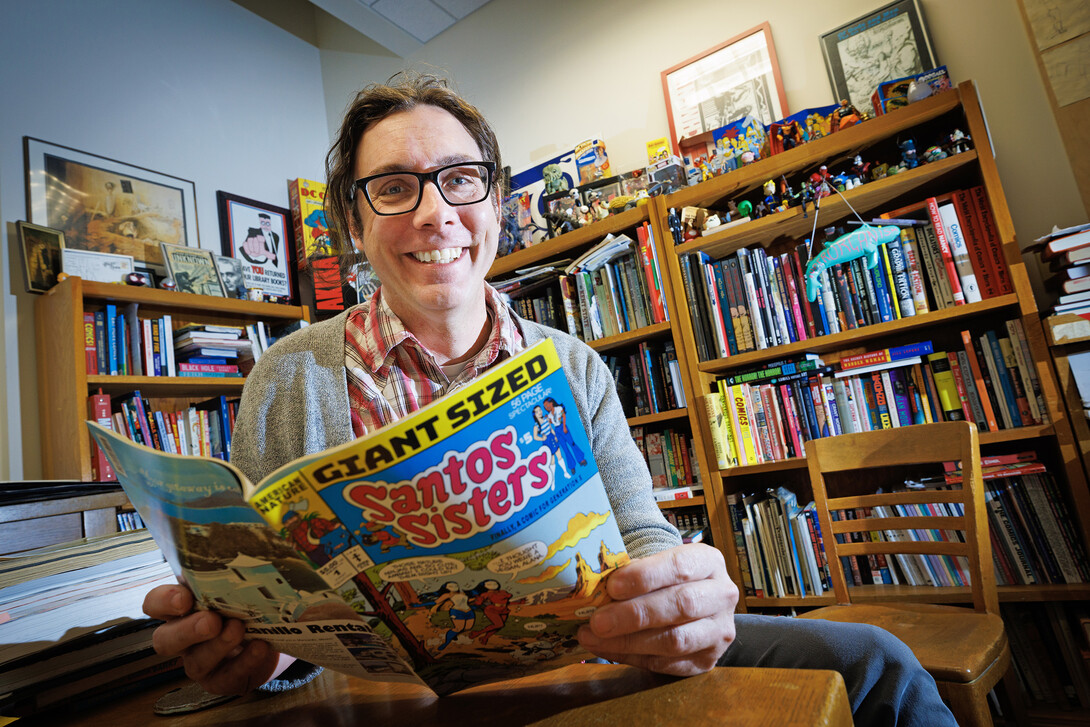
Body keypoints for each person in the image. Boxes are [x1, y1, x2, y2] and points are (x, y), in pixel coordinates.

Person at [142, 72, 957, 726]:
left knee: (874, 662)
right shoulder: (286, 376)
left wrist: (680, 600)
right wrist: (256, 652)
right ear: (354, 223)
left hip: (596, 664)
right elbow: (266, 596)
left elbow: (641, 535)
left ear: (495, 205)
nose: (436, 214)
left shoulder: (572, 363)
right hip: (387, 703)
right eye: (394, 187)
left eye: (460, 181)